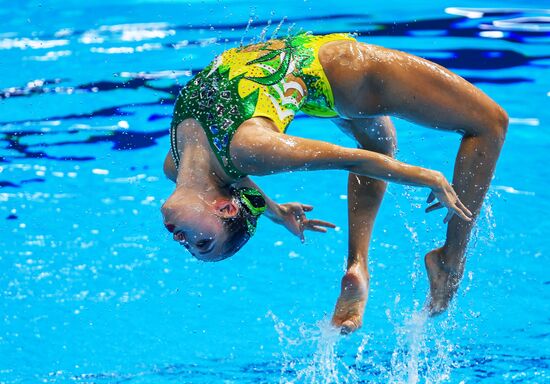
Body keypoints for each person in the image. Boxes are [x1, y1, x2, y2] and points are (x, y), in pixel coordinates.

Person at [160, 32, 508, 334]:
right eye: (199, 242)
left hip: (317, 79)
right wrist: (425, 177)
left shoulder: (177, 164)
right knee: (490, 123)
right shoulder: (249, 149)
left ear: (223, 204)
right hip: (343, 72)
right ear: (222, 206)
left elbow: (241, 187)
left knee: (380, 142)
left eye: (198, 243)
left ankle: (358, 266)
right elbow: (346, 159)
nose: (180, 238)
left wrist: (278, 213)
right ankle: (451, 261)